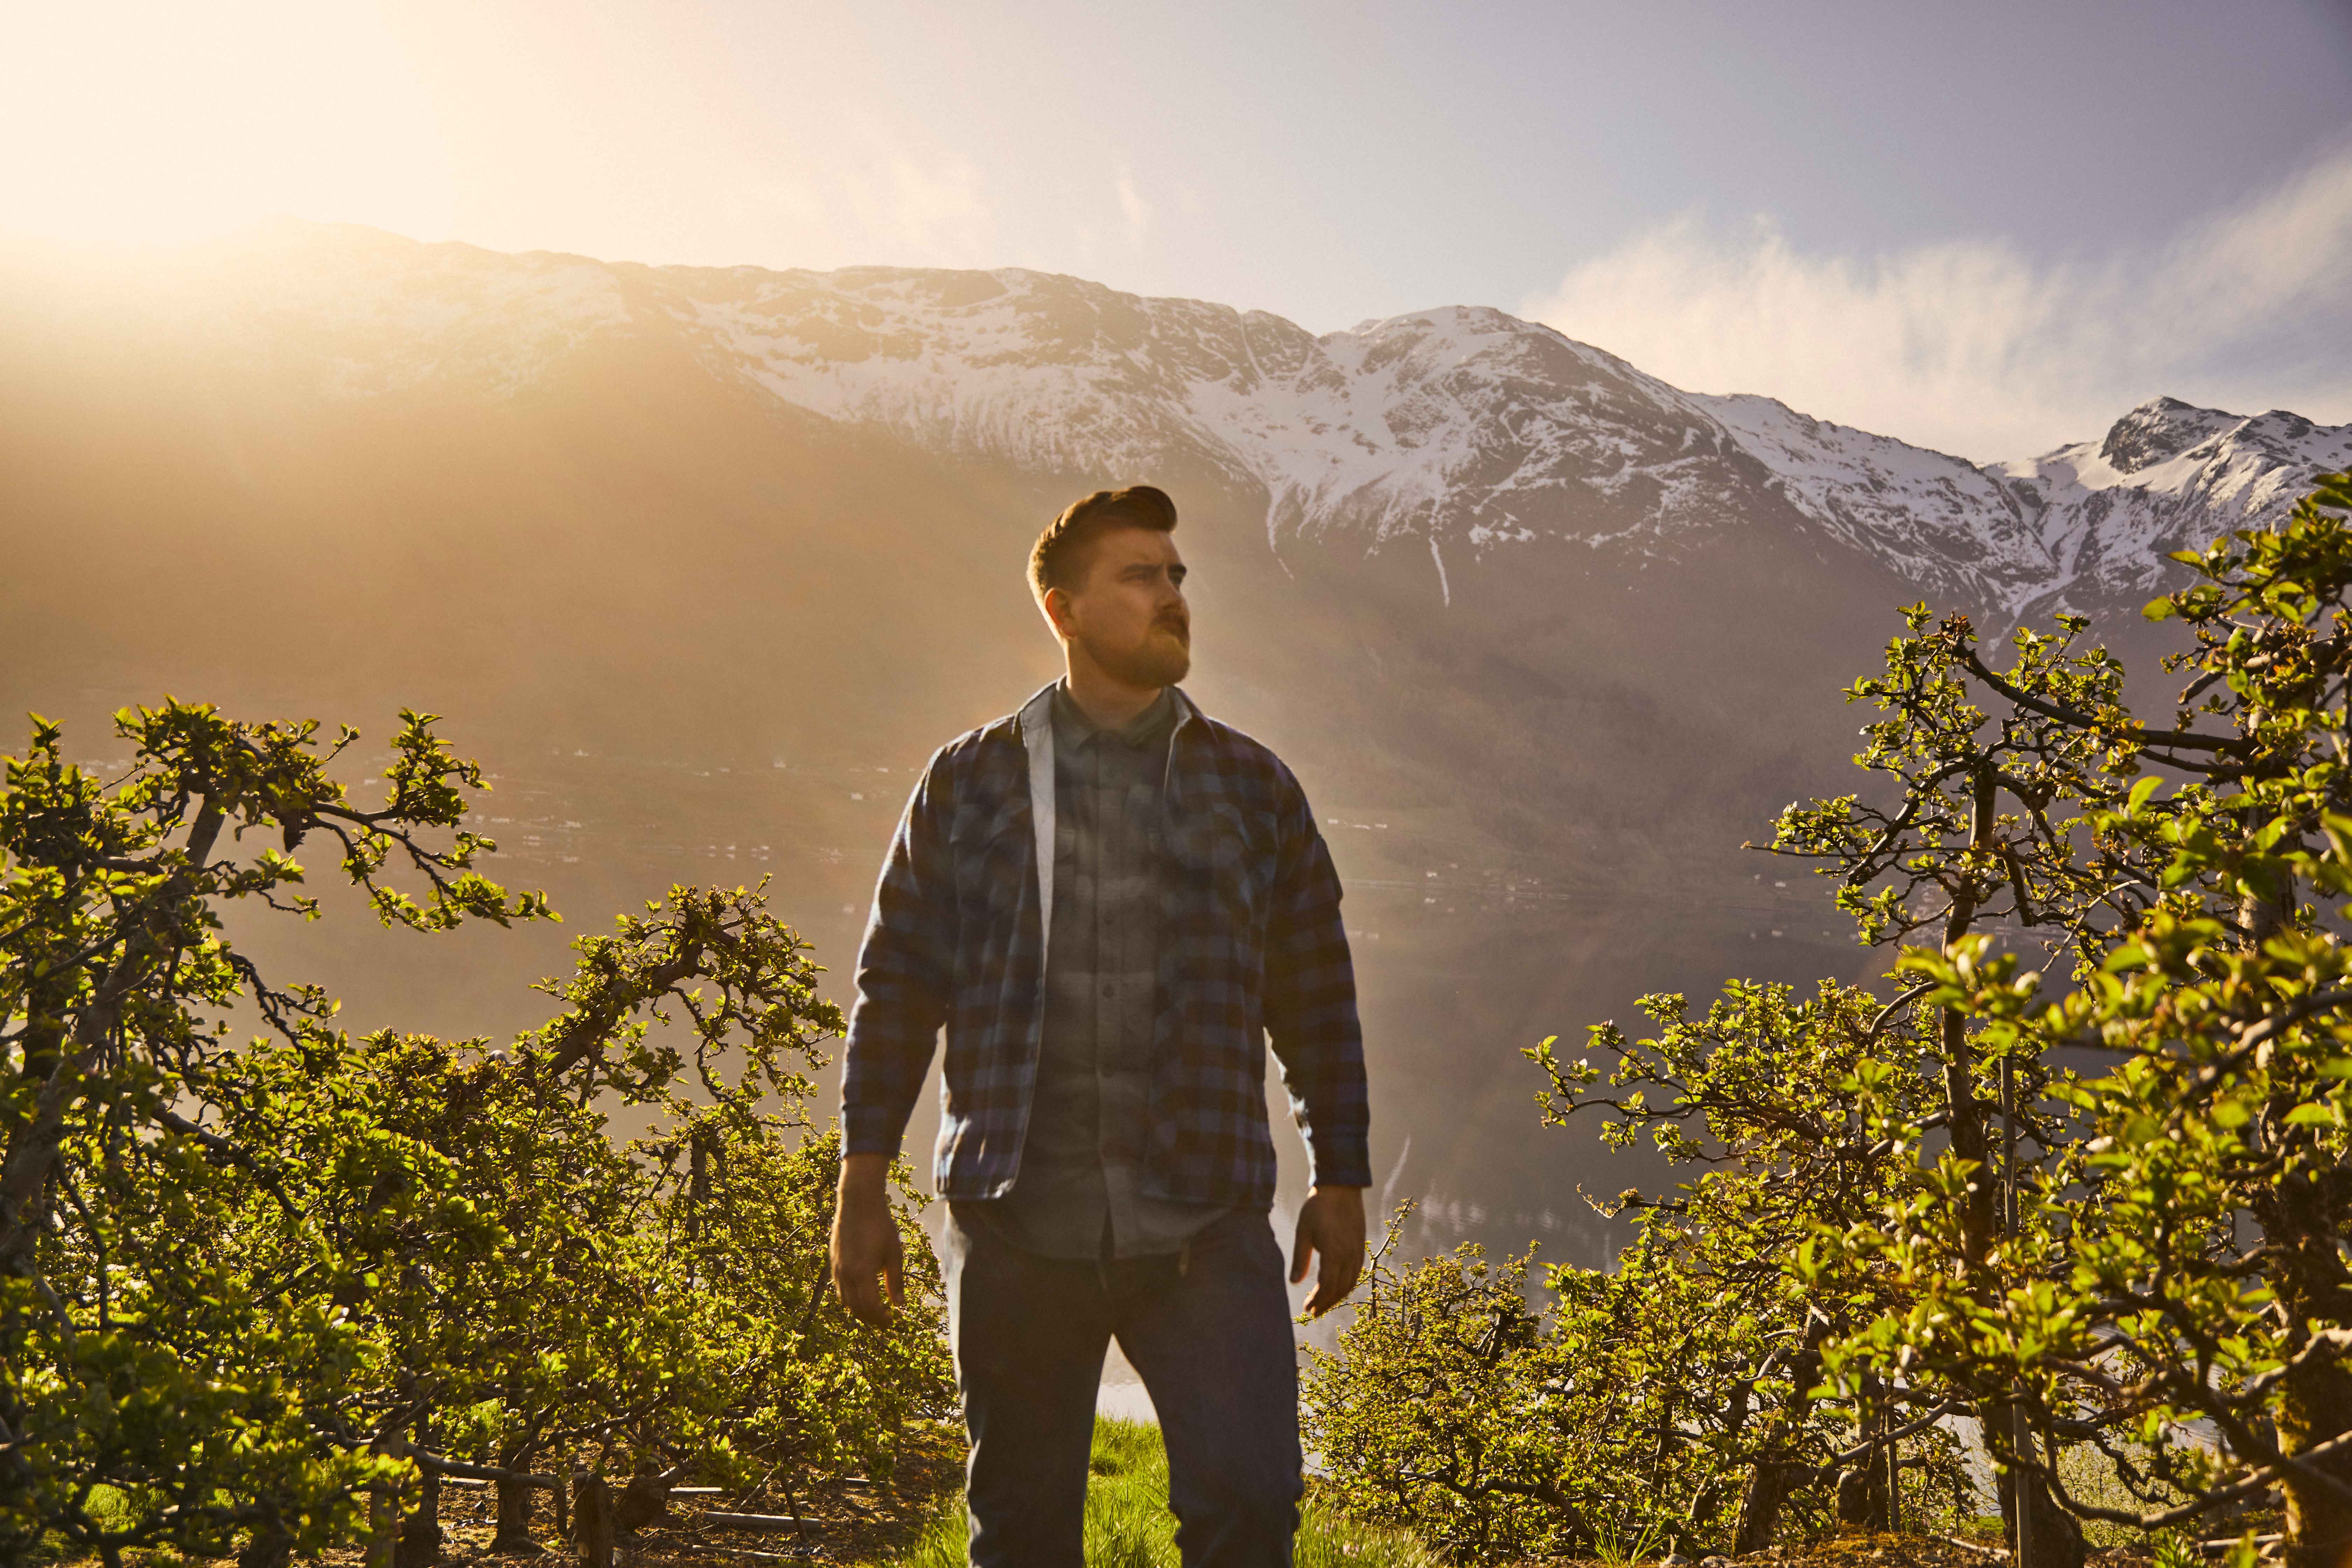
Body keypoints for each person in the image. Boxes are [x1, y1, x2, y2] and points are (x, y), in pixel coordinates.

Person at [830, 483, 1371, 1567]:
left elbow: (1312, 995)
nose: (1173, 596)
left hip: (1206, 1223)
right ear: (1062, 609)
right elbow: (899, 985)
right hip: (1016, 1220)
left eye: (1176, 575)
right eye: (1140, 576)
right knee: (1022, 1540)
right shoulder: (969, 781)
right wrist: (861, 1184)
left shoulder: (1254, 787)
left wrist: (1339, 1174)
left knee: (1253, 1513)